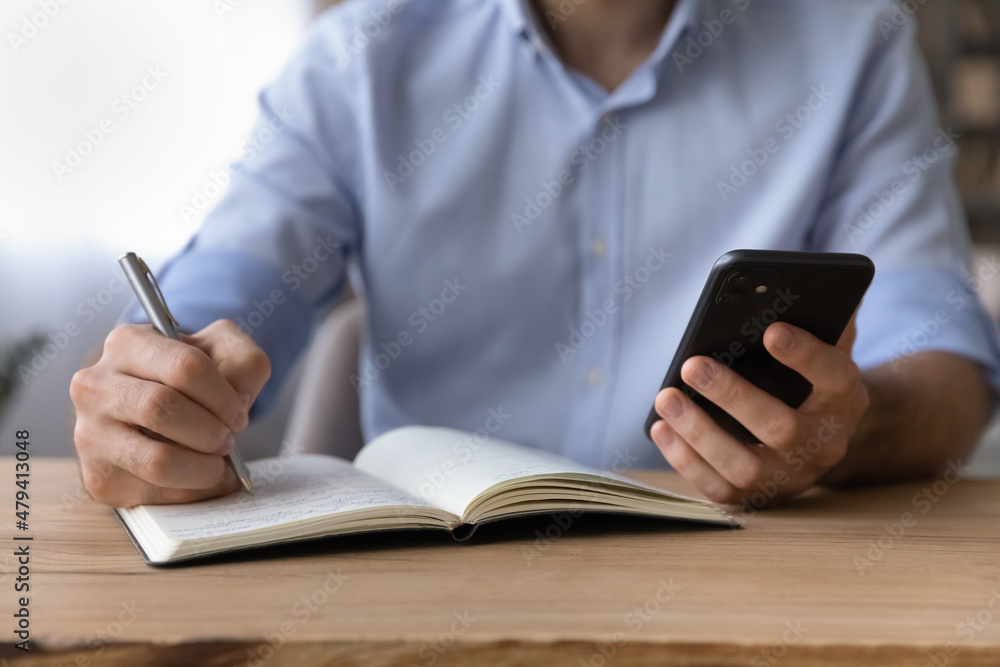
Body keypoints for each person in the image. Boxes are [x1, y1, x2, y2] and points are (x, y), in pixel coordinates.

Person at [70, 0, 1000, 508]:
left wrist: (852, 427)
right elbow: (232, 284)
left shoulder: (853, 43)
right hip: (429, 614)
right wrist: (151, 399)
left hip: (750, 590)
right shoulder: (360, 58)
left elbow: (948, 365)